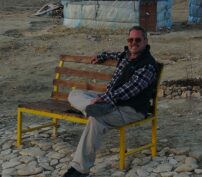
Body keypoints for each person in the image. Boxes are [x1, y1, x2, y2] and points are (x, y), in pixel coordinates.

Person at [62, 26, 160, 177]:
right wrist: (102, 56)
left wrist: (104, 98)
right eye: (130, 40)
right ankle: (89, 107)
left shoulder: (147, 65)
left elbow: (129, 90)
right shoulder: (126, 55)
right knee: (75, 93)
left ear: (145, 41)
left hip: (131, 110)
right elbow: (113, 54)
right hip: (111, 103)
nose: (134, 43)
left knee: (96, 120)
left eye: (138, 40)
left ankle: (79, 170)